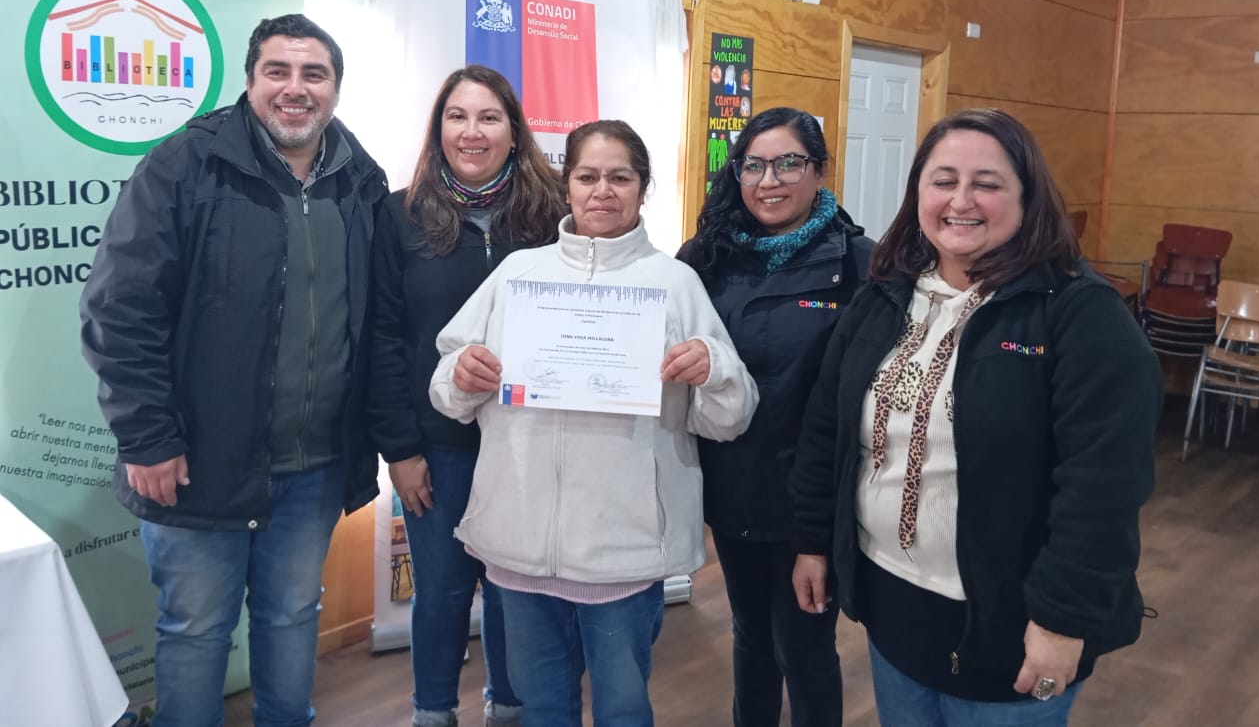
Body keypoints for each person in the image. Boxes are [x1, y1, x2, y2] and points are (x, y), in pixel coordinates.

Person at [790, 108, 1161, 726]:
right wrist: (811, 540)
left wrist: (1062, 619)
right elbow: (826, 427)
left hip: (1012, 629)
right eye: (943, 181)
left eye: (987, 183)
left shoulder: (1079, 315)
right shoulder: (885, 295)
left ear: (1027, 198)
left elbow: (1103, 490)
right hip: (894, 608)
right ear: (918, 196)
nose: (961, 200)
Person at [80, 14, 388, 727]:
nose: (295, 88)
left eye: (314, 74)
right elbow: (117, 310)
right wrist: (147, 438)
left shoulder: (360, 179)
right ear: (250, 81)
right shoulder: (185, 165)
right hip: (196, 462)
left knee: (290, 617)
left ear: (335, 88)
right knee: (195, 630)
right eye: (277, 70)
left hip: (314, 465)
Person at [430, 120, 759, 727]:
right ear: (567, 185)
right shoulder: (517, 275)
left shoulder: (674, 283)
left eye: (619, 177)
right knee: (542, 706)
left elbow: (729, 419)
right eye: (587, 176)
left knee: (623, 708)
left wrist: (712, 370)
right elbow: (448, 391)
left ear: (642, 187)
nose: (602, 190)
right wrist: (462, 374)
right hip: (520, 542)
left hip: (623, 550)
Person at [365, 65, 564, 727]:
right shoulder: (397, 215)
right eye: (457, 116)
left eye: (488, 117)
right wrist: (400, 447)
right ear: (438, 127)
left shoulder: (555, 214)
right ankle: (433, 710)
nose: (471, 131)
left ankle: (507, 705)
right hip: (438, 448)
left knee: (516, 589)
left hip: (528, 443)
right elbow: (384, 338)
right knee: (443, 591)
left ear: (514, 130)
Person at [677, 107, 875, 727]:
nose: (770, 180)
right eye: (755, 165)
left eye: (789, 163)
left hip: (810, 497)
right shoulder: (704, 257)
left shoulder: (860, 265)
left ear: (817, 170)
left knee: (805, 646)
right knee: (750, 634)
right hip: (732, 485)